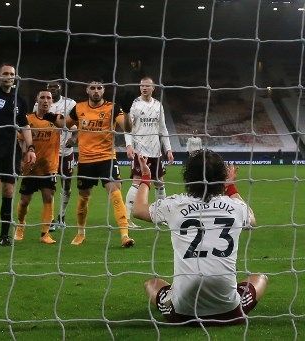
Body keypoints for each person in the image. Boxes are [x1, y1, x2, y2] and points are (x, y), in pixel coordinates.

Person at [133, 150, 268, 325]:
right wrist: (230, 186)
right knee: (260, 278)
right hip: (229, 312)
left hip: (182, 314)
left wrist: (145, 177)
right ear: (221, 177)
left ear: (188, 177)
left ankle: (175, 297)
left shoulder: (174, 205)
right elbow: (252, 219)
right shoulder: (236, 207)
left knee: (151, 283)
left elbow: (137, 209)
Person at [0, 27, 36, 246]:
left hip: (11, 150)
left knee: (9, 191)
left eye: (12, 74)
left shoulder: (20, 101)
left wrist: (30, 148)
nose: (9, 77)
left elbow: (25, 126)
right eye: (5, 74)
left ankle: (4, 234)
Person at [66, 79, 135, 247]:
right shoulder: (79, 108)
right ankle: (80, 233)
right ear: (87, 90)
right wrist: (74, 136)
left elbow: (127, 128)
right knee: (83, 197)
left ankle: (124, 235)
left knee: (115, 192)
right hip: (85, 160)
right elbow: (67, 124)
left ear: (103, 91)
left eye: (99, 88)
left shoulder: (113, 107)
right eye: (93, 88)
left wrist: (126, 112)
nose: (96, 91)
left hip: (106, 158)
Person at [14, 90, 65, 244]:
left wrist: (55, 118)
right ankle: (20, 226)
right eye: (42, 97)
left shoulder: (56, 119)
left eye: (48, 98)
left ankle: (45, 234)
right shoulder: (27, 119)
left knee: (48, 197)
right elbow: (21, 141)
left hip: (49, 167)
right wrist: (22, 160)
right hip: (31, 168)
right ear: (37, 100)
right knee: (24, 201)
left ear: (52, 101)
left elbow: (70, 126)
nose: (45, 100)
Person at [124, 76, 174, 228]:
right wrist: (129, 145)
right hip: (141, 151)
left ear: (153, 88)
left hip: (156, 152)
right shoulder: (135, 105)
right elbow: (128, 128)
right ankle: (125, 219)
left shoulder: (158, 105)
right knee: (137, 182)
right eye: (142, 86)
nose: (144, 88)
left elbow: (163, 129)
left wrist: (169, 149)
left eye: (147, 86)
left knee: (160, 183)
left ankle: (161, 216)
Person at [33, 81, 77, 231]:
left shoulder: (70, 103)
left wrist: (74, 138)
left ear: (60, 89)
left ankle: (62, 216)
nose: (52, 90)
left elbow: (78, 123)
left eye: (55, 88)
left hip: (66, 152)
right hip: (48, 152)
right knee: (49, 188)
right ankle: (50, 219)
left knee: (67, 185)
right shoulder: (40, 104)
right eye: (49, 88)